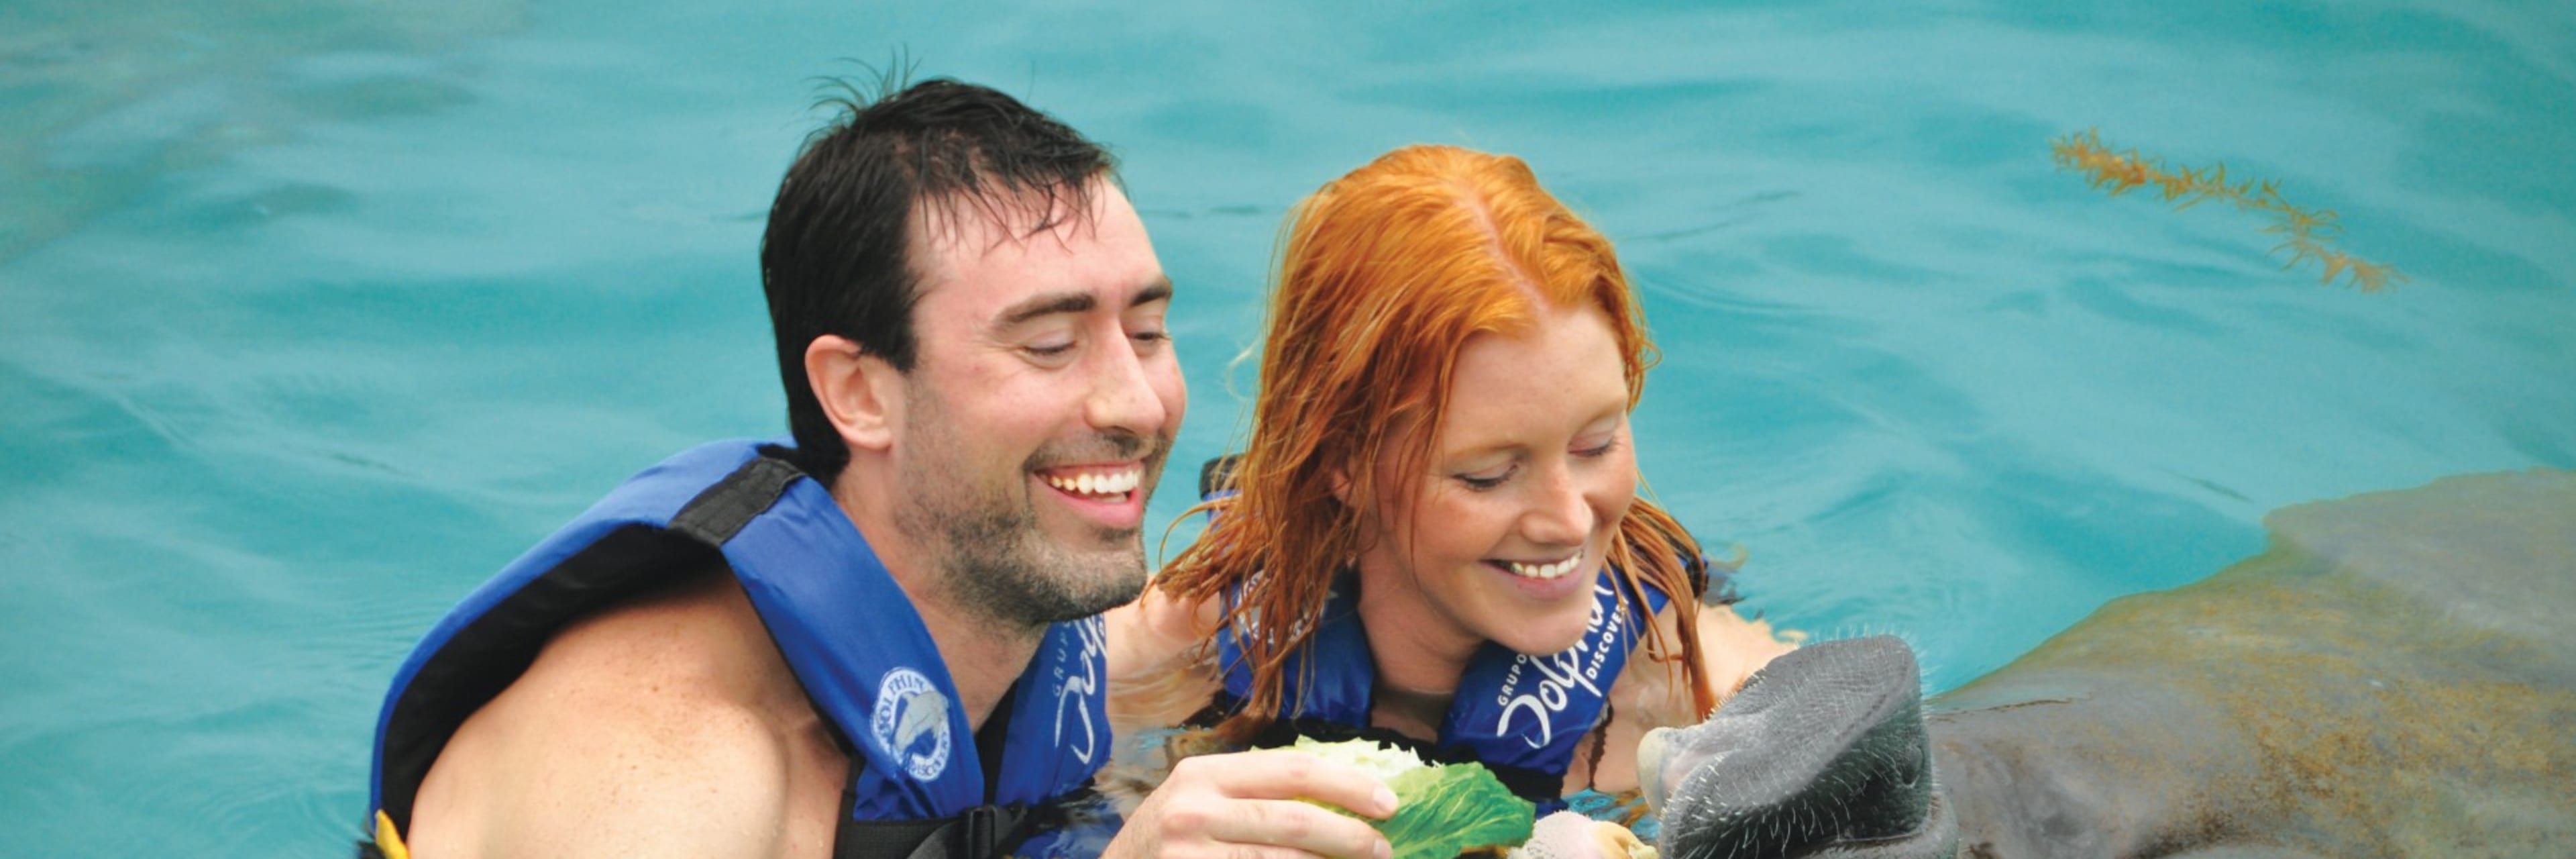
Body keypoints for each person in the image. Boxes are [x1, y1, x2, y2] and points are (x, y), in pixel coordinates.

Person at [362, 79, 1399, 859]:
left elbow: (1192, 639)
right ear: (860, 393)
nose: (1134, 404)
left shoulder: (1015, 626)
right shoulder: (666, 781)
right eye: (1049, 345)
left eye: (1149, 328)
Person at [1107, 144, 1797, 818]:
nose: (1568, 521)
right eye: (1488, 475)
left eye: (1596, 443)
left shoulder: (1690, 685)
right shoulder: (1178, 659)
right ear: (1343, 461)